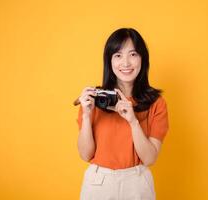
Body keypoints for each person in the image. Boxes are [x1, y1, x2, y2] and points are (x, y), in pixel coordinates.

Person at [75, 28, 169, 200]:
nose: (125, 63)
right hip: (98, 182)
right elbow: (85, 154)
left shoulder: (156, 103)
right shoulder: (95, 99)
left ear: (142, 58)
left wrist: (133, 121)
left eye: (133, 54)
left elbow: (149, 159)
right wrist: (87, 116)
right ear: (109, 61)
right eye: (118, 55)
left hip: (137, 182)